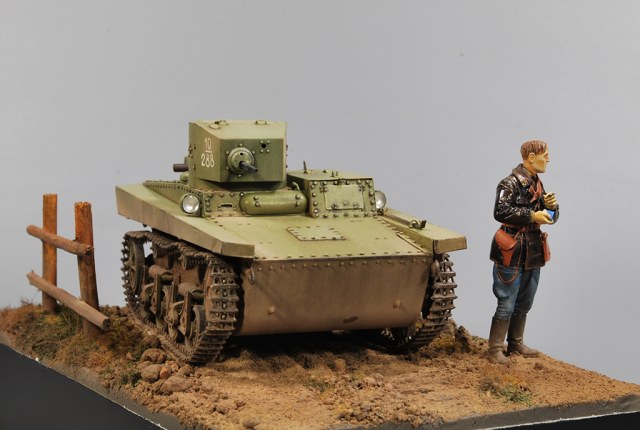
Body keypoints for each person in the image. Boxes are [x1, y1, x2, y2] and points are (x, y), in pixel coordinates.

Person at [487, 140, 559, 364]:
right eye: (545, 155)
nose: (548, 159)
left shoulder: (537, 183)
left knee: (525, 300)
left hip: (533, 249)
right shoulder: (509, 183)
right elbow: (500, 211)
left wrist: (552, 208)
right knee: (506, 301)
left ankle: (515, 343)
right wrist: (531, 216)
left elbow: (550, 218)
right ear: (531, 157)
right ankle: (495, 349)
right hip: (512, 248)